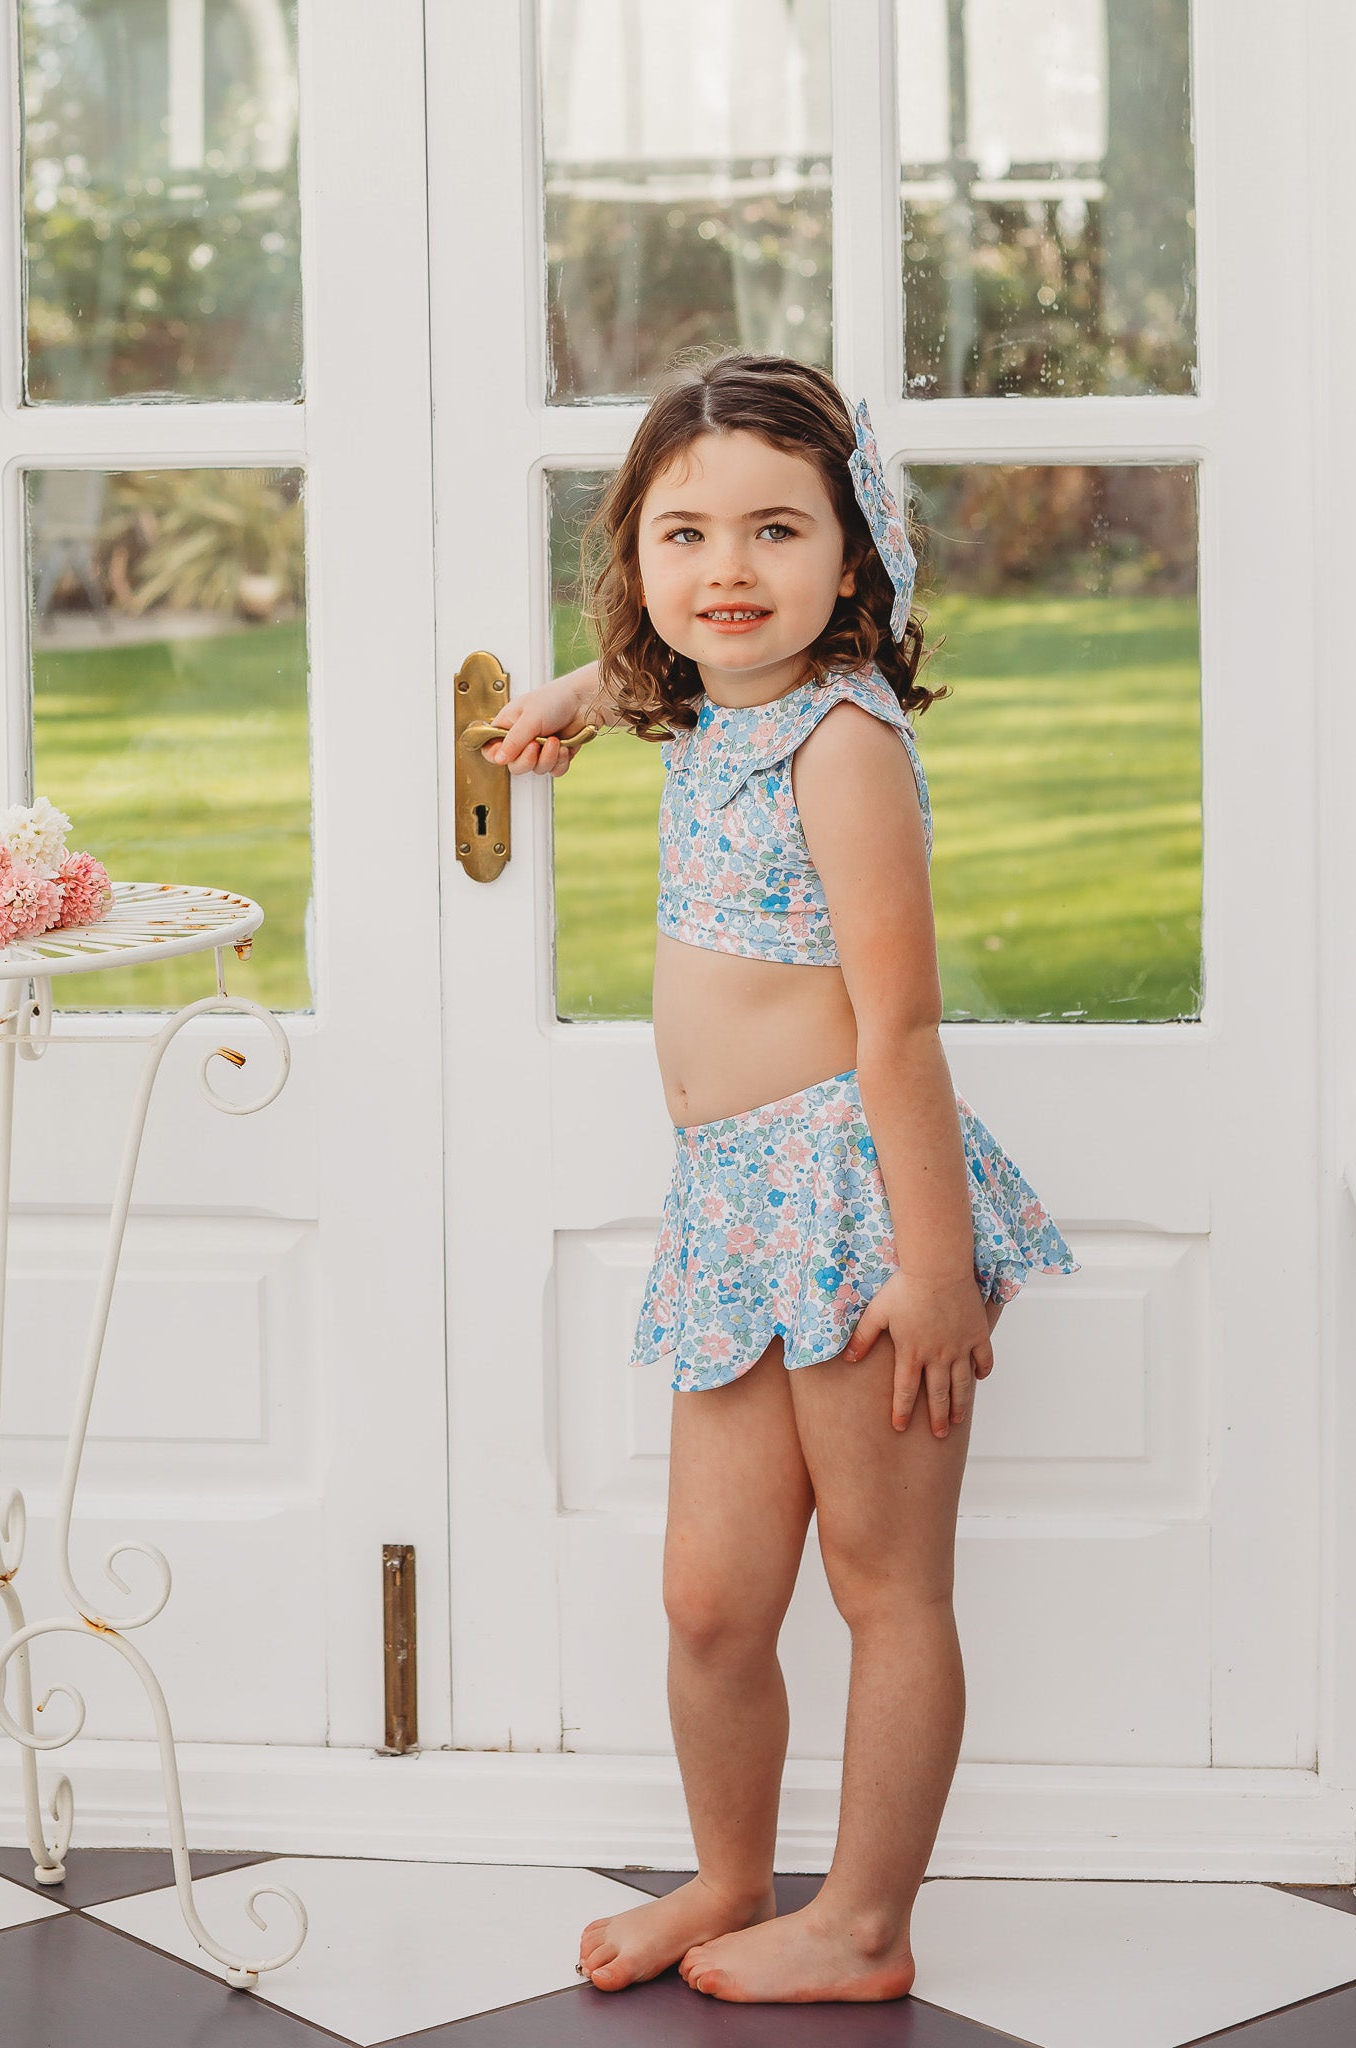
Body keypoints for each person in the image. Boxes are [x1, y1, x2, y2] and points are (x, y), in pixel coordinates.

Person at [484, 351, 1080, 2006]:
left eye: (774, 530)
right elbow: (655, 675)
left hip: (852, 1203)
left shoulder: (841, 743)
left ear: (851, 553)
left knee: (887, 1589)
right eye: (685, 536)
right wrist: (568, 696)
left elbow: (900, 1028)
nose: (727, 570)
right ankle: (733, 1872)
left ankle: (866, 1924)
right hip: (730, 1206)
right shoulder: (713, 697)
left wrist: (935, 1267)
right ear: (638, 560)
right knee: (710, 1599)